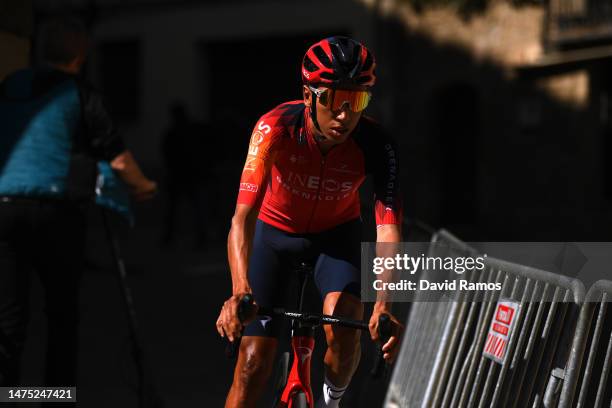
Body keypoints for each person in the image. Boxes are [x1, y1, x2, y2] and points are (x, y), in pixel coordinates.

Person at [216, 36, 404, 408]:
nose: (345, 114)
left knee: (345, 324)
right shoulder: (275, 128)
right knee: (253, 365)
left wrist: (385, 303)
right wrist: (239, 291)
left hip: (336, 240)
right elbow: (243, 217)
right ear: (308, 95)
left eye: (358, 100)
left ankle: (331, 401)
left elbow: (388, 230)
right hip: (274, 236)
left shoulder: (377, 144)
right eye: (334, 99)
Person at [0, 17, 157, 389]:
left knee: (8, 320)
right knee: (61, 315)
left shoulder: (8, 87)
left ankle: (9, 396)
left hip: (3, 207)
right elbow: (119, 160)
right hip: (55, 212)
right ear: (81, 56)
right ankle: (51, 398)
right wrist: (144, 186)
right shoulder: (79, 92)